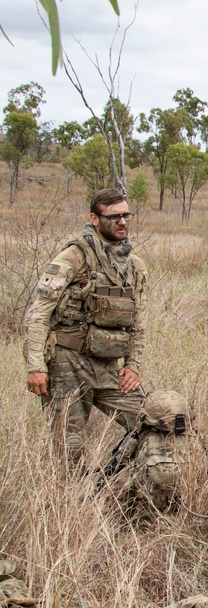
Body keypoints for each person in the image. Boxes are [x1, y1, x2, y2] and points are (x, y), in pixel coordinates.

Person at [23, 188, 146, 467]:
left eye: (126, 215)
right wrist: (36, 367)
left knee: (152, 419)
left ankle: (124, 478)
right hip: (68, 363)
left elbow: (139, 322)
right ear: (94, 218)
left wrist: (134, 366)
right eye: (114, 217)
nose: (123, 222)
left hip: (107, 364)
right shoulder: (75, 256)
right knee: (70, 448)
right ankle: (74, 500)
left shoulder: (133, 266)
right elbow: (40, 313)